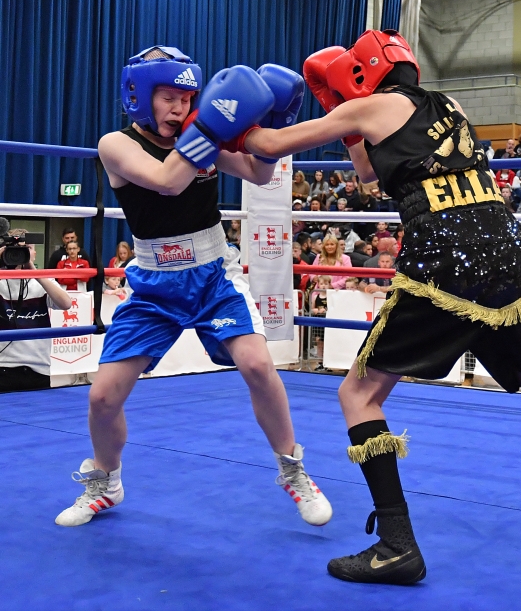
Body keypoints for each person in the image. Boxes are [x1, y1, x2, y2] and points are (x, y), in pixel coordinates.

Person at [245, 30, 521, 582]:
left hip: (447, 254)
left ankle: (397, 546)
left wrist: (222, 120)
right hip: (508, 250)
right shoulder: (449, 106)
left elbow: (267, 148)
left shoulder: (371, 104)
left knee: (358, 393)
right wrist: (344, 115)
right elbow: (370, 175)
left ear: (363, 72)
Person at [56, 47, 331, 529]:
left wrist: (270, 133)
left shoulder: (199, 135)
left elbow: (259, 174)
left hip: (212, 275)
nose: (179, 108)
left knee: (257, 363)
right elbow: (167, 182)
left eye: (187, 97)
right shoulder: (115, 145)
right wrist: (213, 128)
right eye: (167, 97)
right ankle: (106, 479)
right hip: (153, 286)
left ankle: (294, 471)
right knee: (102, 398)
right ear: (140, 97)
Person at [0, 227, 74, 393]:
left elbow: (66, 303)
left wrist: (34, 272)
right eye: (16, 249)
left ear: (34, 254)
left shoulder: (42, 281)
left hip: (38, 367)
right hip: (4, 366)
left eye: (28, 249)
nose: (21, 253)